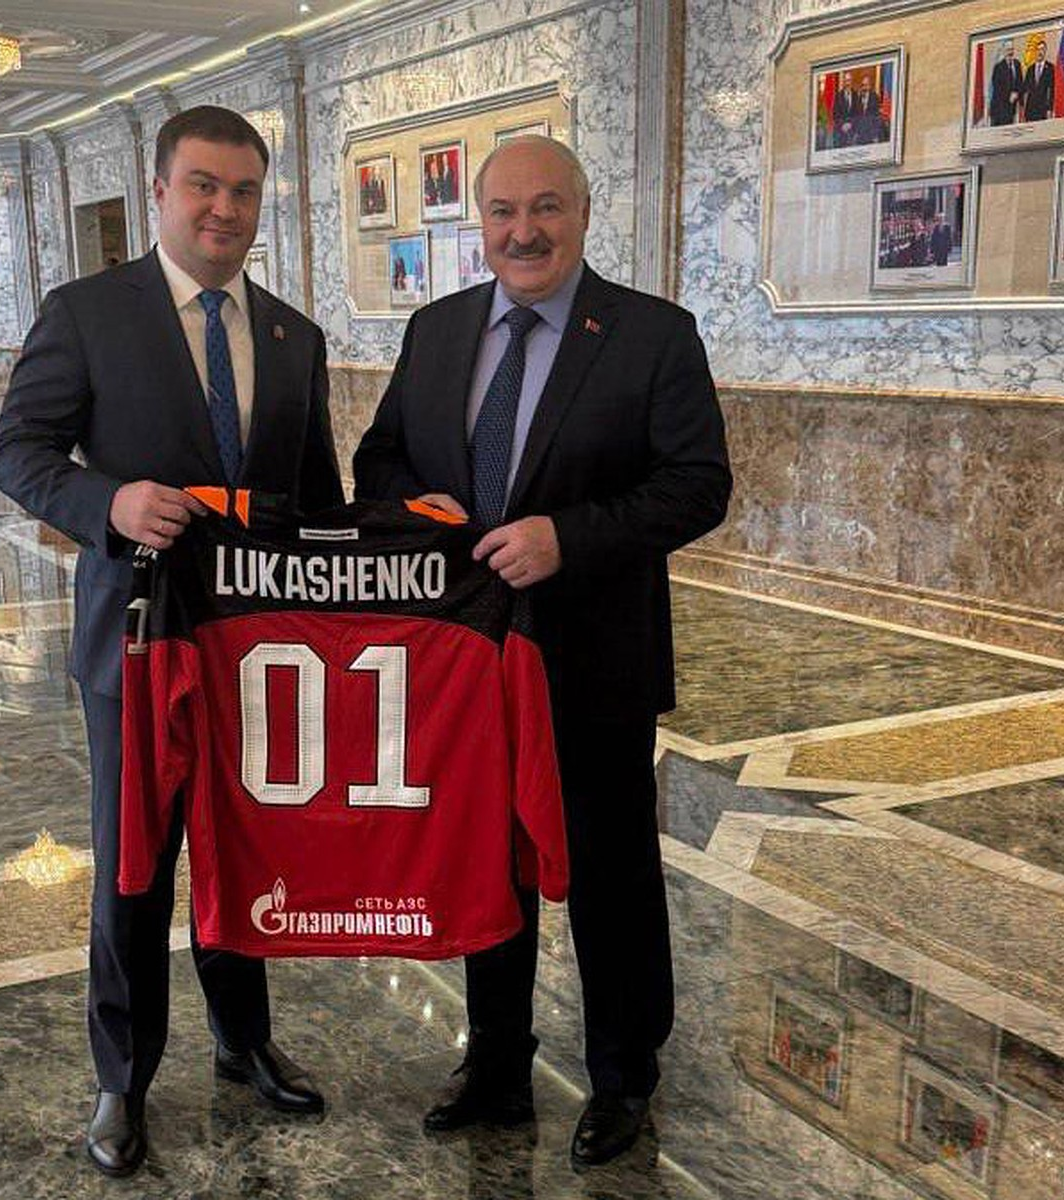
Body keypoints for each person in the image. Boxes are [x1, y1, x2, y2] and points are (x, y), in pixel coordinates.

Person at [353, 136, 731, 1167]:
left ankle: (624, 1075)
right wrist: (418, 511)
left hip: (594, 661)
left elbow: (697, 485)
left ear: (584, 214)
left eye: (547, 208)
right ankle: (495, 1065)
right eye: (503, 211)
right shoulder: (436, 330)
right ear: (479, 222)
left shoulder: (652, 335)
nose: (524, 231)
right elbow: (380, 456)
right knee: (486, 862)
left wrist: (570, 537)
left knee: (610, 870)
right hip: (465, 660)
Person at [0, 105, 342, 1177]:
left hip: (253, 650)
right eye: (203, 186)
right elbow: (19, 451)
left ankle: (244, 1039)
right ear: (159, 191)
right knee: (135, 865)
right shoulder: (88, 313)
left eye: (243, 191)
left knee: (245, 848)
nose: (224, 209)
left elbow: (314, 499)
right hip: (133, 645)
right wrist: (109, 502)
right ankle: (123, 1076)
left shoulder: (293, 336)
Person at [989, 40, 1022, 126]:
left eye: (1012, 49)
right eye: (1008, 50)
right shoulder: (998, 67)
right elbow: (997, 87)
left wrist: (1017, 93)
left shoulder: (1017, 64)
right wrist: (1009, 96)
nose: (1010, 52)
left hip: (1012, 108)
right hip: (999, 109)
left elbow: (1020, 83)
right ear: (1004, 51)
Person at [1023, 39, 1055, 122]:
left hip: (1043, 110)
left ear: (1045, 51)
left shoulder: (1050, 68)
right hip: (1030, 110)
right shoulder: (1030, 69)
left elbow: (1052, 90)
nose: (1040, 52)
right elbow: (1025, 89)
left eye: (1042, 49)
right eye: (1038, 49)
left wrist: (1050, 109)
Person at [832, 71, 857, 146]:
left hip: (852, 129)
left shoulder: (856, 95)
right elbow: (835, 113)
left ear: (852, 81)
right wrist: (842, 125)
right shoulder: (838, 96)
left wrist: (850, 124)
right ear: (843, 82)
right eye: (846, 80)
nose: (847, 83)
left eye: (849, 80)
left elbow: (858, 113)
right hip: (840, 131)